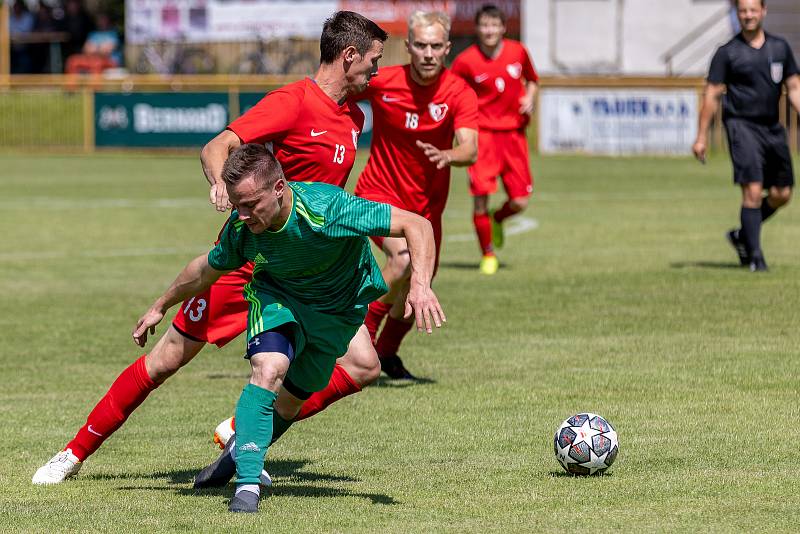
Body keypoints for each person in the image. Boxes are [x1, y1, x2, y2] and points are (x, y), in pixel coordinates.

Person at [32, 11, 388, 485]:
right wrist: (222, 184)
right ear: (349, 55)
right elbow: (217, 145)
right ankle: (72, 454)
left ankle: (243, 437)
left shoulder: (354, 117)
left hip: (308, 275)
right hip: (253, 261)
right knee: (165, 360)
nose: (377, 70)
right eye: (374, 60)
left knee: (363, 365)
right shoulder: (295, 102)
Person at [133, 143, 443, 512]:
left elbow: (416, 224)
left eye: (251, 204)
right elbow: (204, 269)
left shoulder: (328, 208)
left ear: (279, 188)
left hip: (337, 312)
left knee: (291, 403)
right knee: (269, 368)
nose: (243, 215)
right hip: (277, 298)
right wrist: (159, 306)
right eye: (237, 205)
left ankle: (235, 456)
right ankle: (247, 487)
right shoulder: (243, 228)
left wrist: (420, 285)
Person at [357, 10, 479, 378]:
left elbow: (470, 149)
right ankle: (352, 335)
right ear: (408, 45)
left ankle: (386, 355)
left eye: (436, 46)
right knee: (404, 260)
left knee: (416, 285)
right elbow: (334, 91)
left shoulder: (459, 91)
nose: (428, 53)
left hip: (426, 210)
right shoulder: (383, 82)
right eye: (421, 45)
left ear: (447, 49)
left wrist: (449, 155)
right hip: (378, 193)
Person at [692, 0, 799, 272]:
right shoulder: (727, 53)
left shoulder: (780, 48)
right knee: (752, 189)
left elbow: (794, 87)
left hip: (772, 128)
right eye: (743, 11)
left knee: (782, 193)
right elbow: (712, 94)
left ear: (763, 11)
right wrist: (702, 136)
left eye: (753, 10)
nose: (748, 15)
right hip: (741, 126)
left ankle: (742, 236)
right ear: (737, 14)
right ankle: (755, 258)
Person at [451, 4, 539, 275]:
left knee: (521, 202)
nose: (489, 30)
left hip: (514, 136)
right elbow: (451, 91)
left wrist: (530, 98)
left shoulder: (518, 52)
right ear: (477, 29)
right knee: (480, 199)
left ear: (503, 28)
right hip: (483, 137)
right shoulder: (466, 60)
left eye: (494, 25)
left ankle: (497, 218)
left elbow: (533, 80)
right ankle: (487, 254)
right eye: (484, 25)